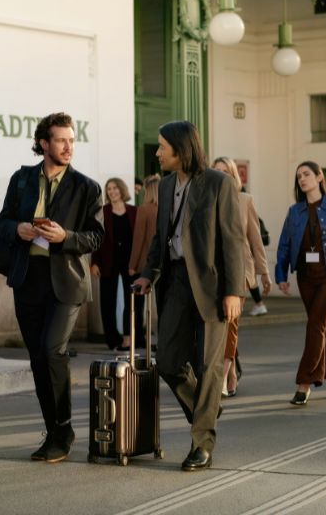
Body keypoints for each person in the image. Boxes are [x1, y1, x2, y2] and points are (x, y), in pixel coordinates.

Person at [133, 121, 244, 472]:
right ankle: (206, 409)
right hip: (177, 282)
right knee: (167, 361)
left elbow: (232, 241)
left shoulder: (219, 184)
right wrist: (148, 274)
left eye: (162, 147)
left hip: (212, 286)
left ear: (180, 150)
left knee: (209, 366)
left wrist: (233, 291)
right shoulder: (165, 187)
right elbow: (159, 238)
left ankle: (202, 443)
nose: (157, 152)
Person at [0, 112, 103, 463]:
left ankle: (63, 429)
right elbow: (3, 221)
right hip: (28, 277)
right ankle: (56, 430)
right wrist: (20, 230)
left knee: (53, 350)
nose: (69, 146)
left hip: (67, 281)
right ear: (44, 143)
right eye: (61, 140)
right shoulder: (22, 180)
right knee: (38, 358)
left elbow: (96, 236)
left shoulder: (87, 187)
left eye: (72, 140)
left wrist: (65, 237)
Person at [275, 161, 326, 406]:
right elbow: (284, 244)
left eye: (307, 174)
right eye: (299, 176)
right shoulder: (295, 211)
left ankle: (304, 383)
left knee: (316, 324)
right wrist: (281, 275)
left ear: (320, 177)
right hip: (307, 278)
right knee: (323, 326)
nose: (302, 179)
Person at [213, 156, 271, 397]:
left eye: (226, 171)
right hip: (214, 272)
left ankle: (223, 378)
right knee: (221, 327)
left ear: (234, 174)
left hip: (240, 271)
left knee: (231, 325)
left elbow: (255, 240)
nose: (221, 175)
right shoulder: (208, 199)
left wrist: (264, 272)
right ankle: (233, 371)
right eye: (216, 171)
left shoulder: (245, 200)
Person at [91, 178, 138, 350]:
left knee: (130, 301)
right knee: (107, 301)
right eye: (109, 189)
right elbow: (97, 238)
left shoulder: (134, 211)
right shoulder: (102, 211)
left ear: (122, 190)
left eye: (115, 188)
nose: (112, 192)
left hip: (130, 262)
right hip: (108, 261)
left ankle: (128, 337)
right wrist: (94, 262)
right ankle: (112, 339)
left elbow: (138, 239)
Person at [129, 174, 161, 347]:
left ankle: (139, 339)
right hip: (164, 263)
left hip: (145, 264)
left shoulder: (144, 209)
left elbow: (138, 239)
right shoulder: (167, 208)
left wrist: (132, 265)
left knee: (139, 304)